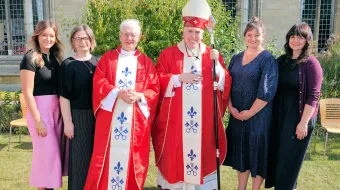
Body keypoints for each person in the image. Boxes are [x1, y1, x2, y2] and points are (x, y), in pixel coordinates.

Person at [152, 0, 232, 189]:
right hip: (176, 122)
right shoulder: (169, 54)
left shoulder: (211, 55)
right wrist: (179, 78)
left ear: (203, 34)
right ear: (183, 31)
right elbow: (157, 80)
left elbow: (225, 82)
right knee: (177, 152)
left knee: (202, 151)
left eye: (197, 32)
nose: (193, 36)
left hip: (204, 121)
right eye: (190, 31)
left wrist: (218, 66)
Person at [84, 19, 160, 190]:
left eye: (133, 34)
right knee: (105, 156)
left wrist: (139, 95)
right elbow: (98, 83)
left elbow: (154, 90)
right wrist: (118, 92)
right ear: (119, 35)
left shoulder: (146, 63)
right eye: (125, 34)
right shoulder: (107, 59)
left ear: (139, 36)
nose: (129, 38)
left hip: (135, 123)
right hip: (110, 121)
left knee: (133, 158)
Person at [265, 22, 323, 190]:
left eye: (300, 37)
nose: (296, 40)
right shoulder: (281, 61)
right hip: (280, 117)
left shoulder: (311, 64)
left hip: (299, 118)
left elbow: (314, 96)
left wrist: (303, 123)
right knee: (278, 160)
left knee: (289, 162)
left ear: (307, 41)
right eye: (293, 36)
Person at [223, 17, 278, 190]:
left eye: (257, 35)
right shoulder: (236, 58)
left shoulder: (267, 59)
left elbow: (267, 91)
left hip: (258, 117)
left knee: (256, 154)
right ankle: (241, 188)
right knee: (242, 153)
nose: (252, 38)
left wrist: (250, 113)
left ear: (263, 37)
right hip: (237, 115)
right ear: (244, 36)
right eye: (249, 34)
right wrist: (230, 106)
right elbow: (227, 83)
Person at [19, 20, 65, 190]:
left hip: (56, 113)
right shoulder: (29, 58)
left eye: (51, 35)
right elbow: (27, 92)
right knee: (47, 156)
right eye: (44, 35)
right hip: (40, 113)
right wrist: (38, 119)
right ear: (37, 36)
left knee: (52, 159)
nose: (48, 39)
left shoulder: (55, 59)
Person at [59, 24, 97, 190]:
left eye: (85, 38)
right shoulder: (68, 65)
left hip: (99, 118)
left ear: (91, 40)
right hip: (79, 117)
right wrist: (68, 122)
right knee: (80, 161)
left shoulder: (99, 62)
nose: (82, 42)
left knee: (95, 160)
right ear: (73, 42)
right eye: (78, 39)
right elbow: (64, 96)